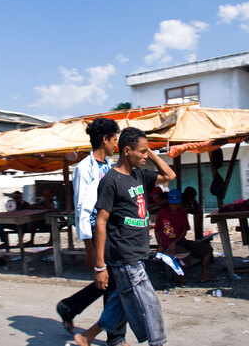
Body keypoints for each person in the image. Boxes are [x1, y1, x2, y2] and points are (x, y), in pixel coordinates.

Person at [75, 127, 176, 346]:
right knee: (150, 305)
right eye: (141, 152)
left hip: (138, 253)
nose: (144, 156)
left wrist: (151, 152)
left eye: (146, 152)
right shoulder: (111, 181)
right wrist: (100, 267)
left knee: (120, 303)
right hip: (124, 256)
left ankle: (87, 336)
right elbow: (100, 222)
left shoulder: (139, 175)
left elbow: (170, 175)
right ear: (127, 151)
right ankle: (158, 342)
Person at [55, 117, 128, 346]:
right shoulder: (84, 169)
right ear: (105, 139)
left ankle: (69, 307)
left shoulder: (108, 165)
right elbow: (81, 208)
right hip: (97, 233)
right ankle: (115, 338)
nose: (115, 144)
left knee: (111, 280)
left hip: (112, 231)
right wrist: (88, 244)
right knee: (114, 280)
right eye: (114, 139)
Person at [154, 188, 214, 283]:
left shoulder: (182, 213)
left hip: (180, 241)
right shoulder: (162, 213)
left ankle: (204, 275)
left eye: (176, 204)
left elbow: (184, 231)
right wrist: (160, 245)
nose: (174, 206)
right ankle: (181, 277)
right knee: (185, 255)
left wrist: (175, 242)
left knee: (207, 249)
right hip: (167, 243)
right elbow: (157, 230)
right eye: (172, 204)